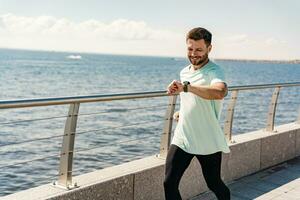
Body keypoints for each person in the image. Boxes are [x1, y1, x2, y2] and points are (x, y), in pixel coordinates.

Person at [164, 27, 231, 200]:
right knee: (169, 183)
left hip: (206, 139)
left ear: (209, 49)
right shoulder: (185, 71)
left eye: (199, 49)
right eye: (190, 49)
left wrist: (186, 87)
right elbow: (192, 98)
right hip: (183, 136)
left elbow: (219, 92)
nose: (193, 54)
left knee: (214, 183)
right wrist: (182, 110)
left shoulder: (214, 71)